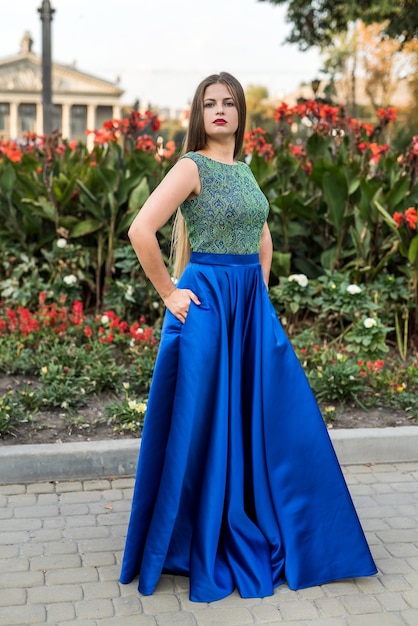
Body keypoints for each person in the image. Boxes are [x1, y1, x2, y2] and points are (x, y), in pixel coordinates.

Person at [119, 71, 377, 603]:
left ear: (240, 113)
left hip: (247, 307)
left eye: (228, 102)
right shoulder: (191, 167)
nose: (219, 110)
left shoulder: (244, 170)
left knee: (278, 416)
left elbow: (262, 235)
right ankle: (191, 536)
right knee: (204, 422)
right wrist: (170, 293)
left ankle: (304, 531)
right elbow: (141, 230)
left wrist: (258, 288)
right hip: (207, 303)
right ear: (199, 113)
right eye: (209, 103)